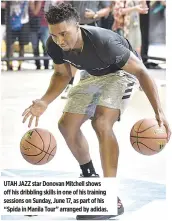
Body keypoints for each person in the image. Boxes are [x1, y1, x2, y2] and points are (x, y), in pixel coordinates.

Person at [22, 3, 171, 220]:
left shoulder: (104, 42)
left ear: (78, 26)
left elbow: (141, 71)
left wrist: (159, 111)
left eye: (64, 34)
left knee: (101, 122)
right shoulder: (54, 44)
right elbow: (62, 75)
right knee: (66, 126)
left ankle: (109, 197)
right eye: (55, 35)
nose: (60, 40)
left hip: (120, 74)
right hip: (91, 75)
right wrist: (45, 101)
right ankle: (90, 179)